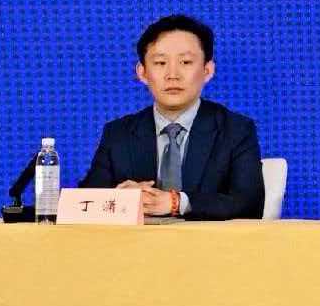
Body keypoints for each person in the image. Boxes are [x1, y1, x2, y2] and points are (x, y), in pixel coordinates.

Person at [82, 14, 267, 220]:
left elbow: (249, 204)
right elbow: (82, 203)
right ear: (142, 72)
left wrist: (177, 202)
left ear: (207, 70)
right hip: (136, 241)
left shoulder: (236, 130)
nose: (173, 75)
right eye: (160, 63)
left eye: (185, 62)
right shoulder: (118, 133)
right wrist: (119, 198)